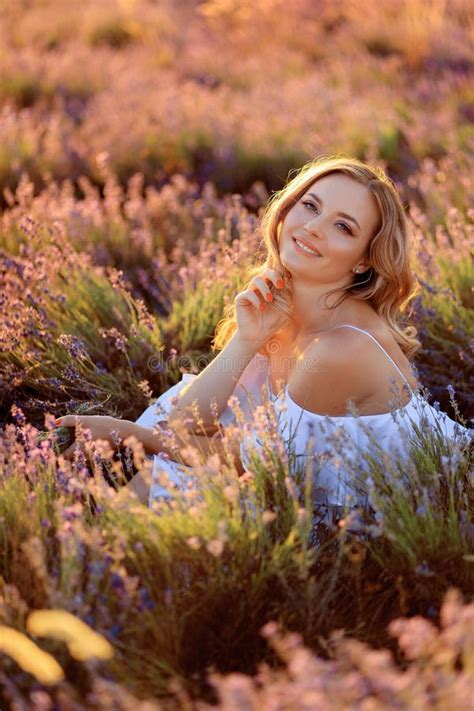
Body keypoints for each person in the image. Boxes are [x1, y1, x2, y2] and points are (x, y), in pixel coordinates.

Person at [55, 155, 471, 535]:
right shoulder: (285, 305)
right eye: (310, 206)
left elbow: (247, 461)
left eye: (343, 226)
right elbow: (188, 423)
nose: (312, 227)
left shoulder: (340, 348)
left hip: (418, 516)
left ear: (363, 260)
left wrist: (127, 432)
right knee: (175, 420)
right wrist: (246, 339)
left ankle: (98, 565)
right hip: (313, 485)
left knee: (169, 477)